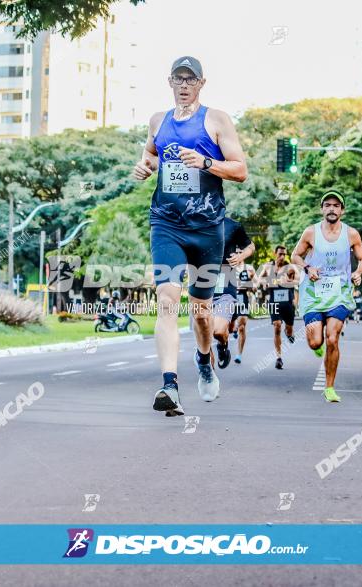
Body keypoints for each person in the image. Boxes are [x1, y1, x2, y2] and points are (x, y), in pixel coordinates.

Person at [132, 56, 248, 417]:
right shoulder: (158, 121)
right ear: (169, 82)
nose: (184, 85)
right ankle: (170, 385)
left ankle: (203, 361)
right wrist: (145, 166)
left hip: (207, 229)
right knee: (167, 299)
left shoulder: (217, 120)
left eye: (191, 79)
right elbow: (151, 154)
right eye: (178, 79)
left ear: (202, 83)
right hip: (166, 223)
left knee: (200, 313)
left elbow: (241, 169)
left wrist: (207, 162)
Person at [291, 190, 362, 403]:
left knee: (332, 338)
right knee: (316, 342)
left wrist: (358, 273)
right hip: (313, 294)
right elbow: (295, 255)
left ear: (342, 210)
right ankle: (318, 347)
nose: (332, 208)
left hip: (339, 293)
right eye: (328, 205)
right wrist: (307, 267)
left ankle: (330, 388)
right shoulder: (310, 232)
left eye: (336, 205)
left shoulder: (351, 234)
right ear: (322, 209)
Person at [207, 217, 254, 368]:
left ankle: (223, 344)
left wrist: (240, 256)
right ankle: (209, 378)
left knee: (219, 331)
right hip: (201, 282)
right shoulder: (193, 222)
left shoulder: (232, 225)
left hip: (225, 282)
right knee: (205, 334)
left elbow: (251, 246)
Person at [258, 245, 298, 370]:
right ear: (275, 253)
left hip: (287, 303)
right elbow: (259, 279)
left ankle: (289, 333)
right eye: (280, 254)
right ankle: (279, 357)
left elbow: (298, 281)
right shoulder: (267, 267)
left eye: (284, 254)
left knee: (289, 330)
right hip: (274, 302)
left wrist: (286, 282)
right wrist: (265, 282)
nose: (282, 256)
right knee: (277, 326)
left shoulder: (290, 267)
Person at [230, 260, 257, 364]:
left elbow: (256, 284)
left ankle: (239, 355)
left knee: (242, 326)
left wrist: (252, 285)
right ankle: (234, 328)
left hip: (243, 297)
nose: (238, 253)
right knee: (228, 327)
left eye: (240, 251)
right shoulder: (228, 266)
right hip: (230, 298)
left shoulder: (249, 268)